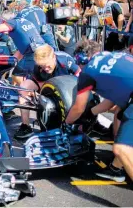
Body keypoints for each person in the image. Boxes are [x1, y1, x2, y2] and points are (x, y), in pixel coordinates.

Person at [65, 40, 133, 183]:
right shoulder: (112, 55)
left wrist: (66, 123)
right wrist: (90, 113)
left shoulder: (88, 71)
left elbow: (78, 108)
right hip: (129, 97)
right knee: (120, 114)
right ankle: (116, 168)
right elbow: (111, 102)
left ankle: (121, 162)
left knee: (122, 148)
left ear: (82, 58)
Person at [14, 45, 81, 138]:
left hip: (67, 85)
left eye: (47, 65)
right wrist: (37, 96)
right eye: (42, 65)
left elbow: (80, 76)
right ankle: (26, 126)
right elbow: (42, 85)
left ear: (53, 57)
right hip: (48, 84)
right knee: (23, 88)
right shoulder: (38, 67)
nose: (45, 68)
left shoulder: (65, 61)